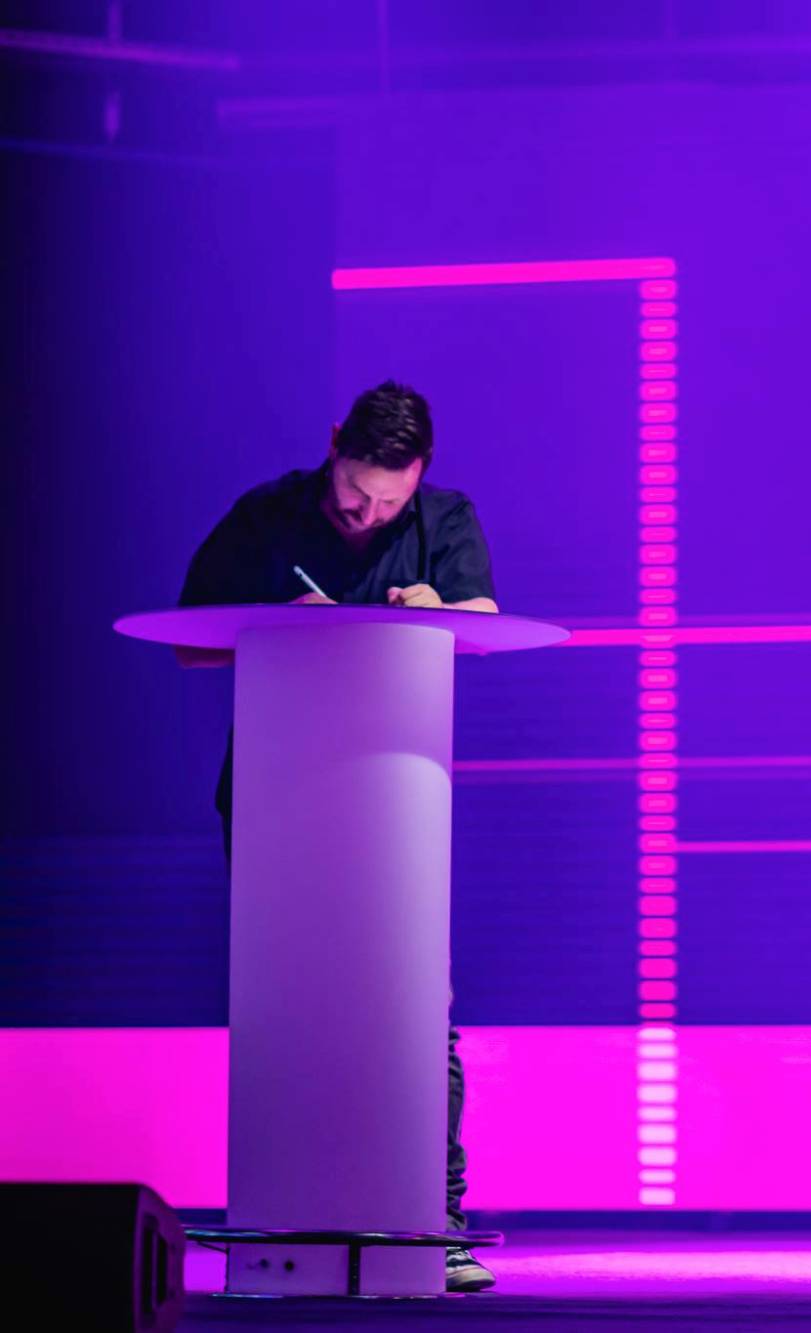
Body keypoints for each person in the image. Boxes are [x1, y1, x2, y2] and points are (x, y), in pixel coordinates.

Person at [176, 381, 499, 1294]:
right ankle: (280, 1224)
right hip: (276, 796)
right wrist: (281, 627)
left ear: (420, 478)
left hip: (397, 808)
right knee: (281, 1003)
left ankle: (436, 1226)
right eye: (356, 492)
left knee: (415, 1011)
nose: (368, 514)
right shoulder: (268, 514)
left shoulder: (445, 519)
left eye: (390, 501)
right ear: (332, 446)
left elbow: (483, 621)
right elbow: (190, 637)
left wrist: (440, 609)